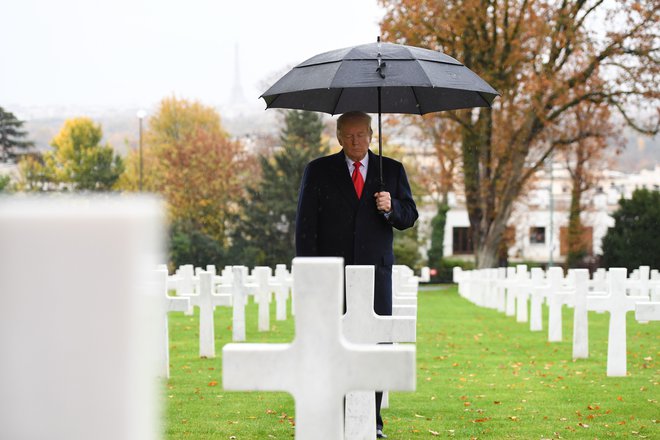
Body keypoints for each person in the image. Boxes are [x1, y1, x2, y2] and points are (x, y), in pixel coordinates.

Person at [295, 111, 418, 438]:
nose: (355, 141)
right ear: (338, 136)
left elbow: (409, 216)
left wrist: (391, 208)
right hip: (331, 278)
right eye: (348, 135)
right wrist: (310, 275)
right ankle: (335, 417)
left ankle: (372, 422)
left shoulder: (390, 170)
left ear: (371, 135)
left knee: (376, 347)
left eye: (361, 134)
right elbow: (305, 228)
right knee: (333, 346)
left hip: (375, 277)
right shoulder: (318, 171)